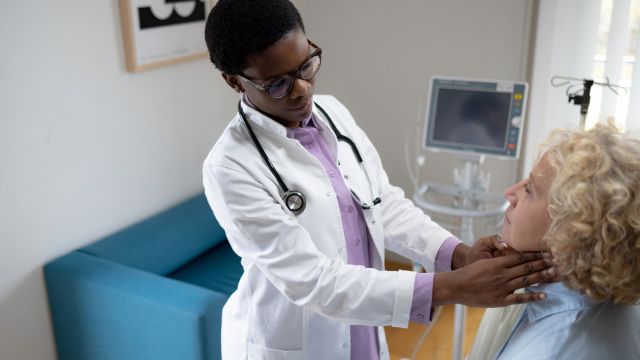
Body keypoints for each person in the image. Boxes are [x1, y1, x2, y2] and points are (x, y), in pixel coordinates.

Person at [201, 1, 554, 359]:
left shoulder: (333, 112)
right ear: (234, 81)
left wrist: (458, 255)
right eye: (278, 84)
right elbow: (313, 281)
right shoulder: (230, 166)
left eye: (306, 65)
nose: (303, 89)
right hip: (301, 342)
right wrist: (447, 288)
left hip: (362, 330)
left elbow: (383, 203)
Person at [469, 122, 640, 360]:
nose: (510, 192)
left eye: (529, 189)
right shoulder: (620, 310)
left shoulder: (547, 351)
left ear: (570, 230)